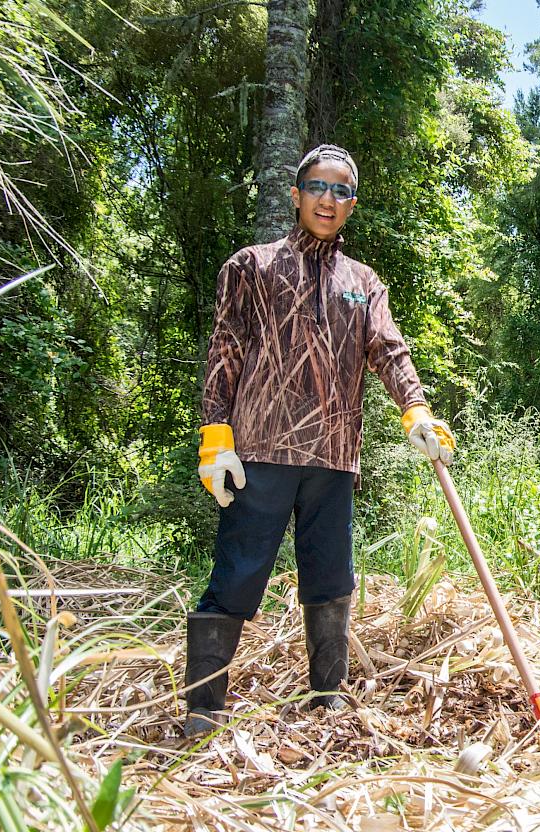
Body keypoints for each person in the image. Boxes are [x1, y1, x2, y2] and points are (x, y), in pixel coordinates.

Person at [186, 144, 457, 737]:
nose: (328, 200)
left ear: (352, 204)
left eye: (340, 191)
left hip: (335, 455)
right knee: (237, 573)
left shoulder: (364, 283)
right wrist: (216, 435)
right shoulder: (251, 266)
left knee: (331, 577)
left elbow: (388, 349)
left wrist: (415, 407)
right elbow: (225, 350)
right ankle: (203, 709)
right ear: (296, 194)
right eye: (317, 187)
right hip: (259, 450)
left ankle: (325, 697)